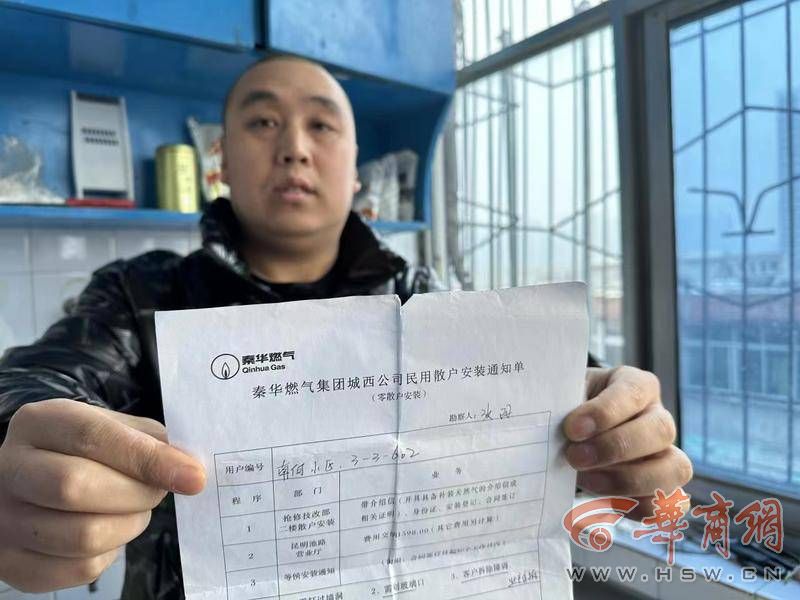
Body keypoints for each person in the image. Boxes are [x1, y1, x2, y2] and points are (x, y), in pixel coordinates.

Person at [0, 56, 692, 598]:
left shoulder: (430, 303)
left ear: (355, 171)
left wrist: (616, 433)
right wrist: (16, 441)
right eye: (262, 122)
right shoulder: (142, 296)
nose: (294, 148)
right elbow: (35, 382)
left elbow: (572, 407)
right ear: (222, 161)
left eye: (322, 126)